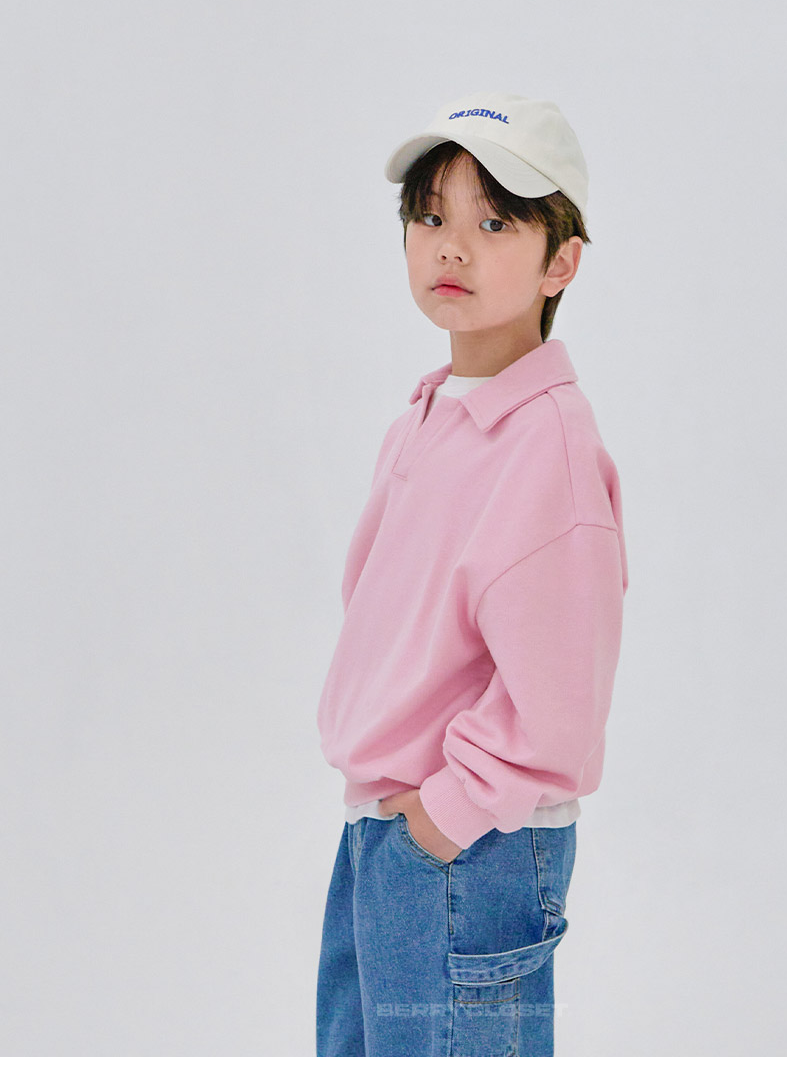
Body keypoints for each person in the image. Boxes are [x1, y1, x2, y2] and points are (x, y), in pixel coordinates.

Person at [315, 91, 628, 1057]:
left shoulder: (547, 448)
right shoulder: (433, 415)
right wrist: (398, 834)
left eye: (494, 224)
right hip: (387, 836)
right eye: (430, 217)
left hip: (466, 849)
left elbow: (559, 702)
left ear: (560, 262)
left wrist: (439, 822)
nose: (451, 247)